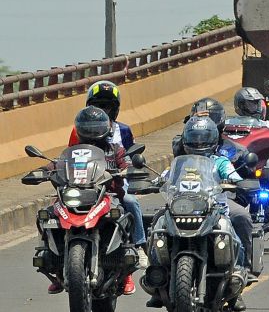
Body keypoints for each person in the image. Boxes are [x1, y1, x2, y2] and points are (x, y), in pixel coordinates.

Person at [148, 116, 251, 311]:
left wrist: (237, 182)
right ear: (186, 141)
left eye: (203, 139)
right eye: (195, 139)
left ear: (213, 141)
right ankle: (156, 279)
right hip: (180, 209)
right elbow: (165, 177)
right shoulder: (180, 163)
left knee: (233, 237)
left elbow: (233, 176)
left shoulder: (220, 162)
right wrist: (151, 183)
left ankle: (237, 282)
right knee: (157, 227)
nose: (199, 143)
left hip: (214, 211)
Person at [47, 107, 143, 295]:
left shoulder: (115, 150)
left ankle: (135, 253)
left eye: (96, 127)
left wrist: (129, 170)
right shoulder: (72, 151)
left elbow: (126, 163)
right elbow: (57, 163)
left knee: (129, 205)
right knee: (48, 215)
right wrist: (43, 170)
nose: (92, 131)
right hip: (76, 195)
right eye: (88, 127)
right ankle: (56, 267)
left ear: (105, 129)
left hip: (108, 196)